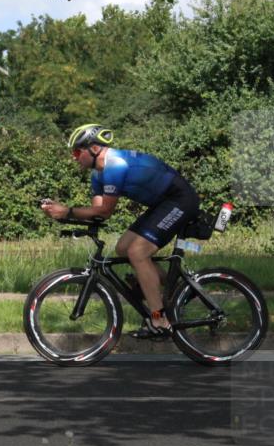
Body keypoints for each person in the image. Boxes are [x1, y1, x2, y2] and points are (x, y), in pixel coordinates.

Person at [41, 124, 200, 338]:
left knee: (138, 253)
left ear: (94, 149)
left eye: (77, 151)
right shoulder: (98, 175)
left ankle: (159, 319)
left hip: (180, 199)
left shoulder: (115, 165)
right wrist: (63, 215)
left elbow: (106, 209)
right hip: (163, 203)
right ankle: (180, 288)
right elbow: (99, 214)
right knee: (123, 248)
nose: (73, 157)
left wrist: (68, 210)